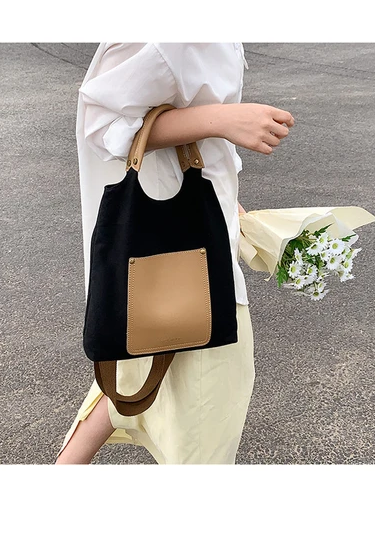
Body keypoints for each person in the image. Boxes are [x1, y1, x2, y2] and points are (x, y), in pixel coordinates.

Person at [55, 43, 294, 465]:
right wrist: (223, 120)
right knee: (206, 417)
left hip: (191, 235)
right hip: (178, 253)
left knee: (138, 368)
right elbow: (102, 123)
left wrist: (229, 207)